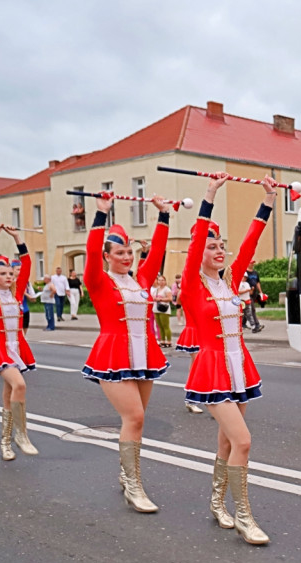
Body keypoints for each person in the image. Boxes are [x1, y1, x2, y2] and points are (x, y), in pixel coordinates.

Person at [180, 172, 274, 543]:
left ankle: (218, 502)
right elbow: (195, 248)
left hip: (240, 367)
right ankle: (244, 516)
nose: (220, 251)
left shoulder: (230, 283)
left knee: (227, 443)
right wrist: (209, 197)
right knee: (244, 441)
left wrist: (267, 201)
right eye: (211, 246)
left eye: (222, 246)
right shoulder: (191, 284)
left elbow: (250, 242)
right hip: (213, 368)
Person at [82, 194, 171, 513]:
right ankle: (134, 487)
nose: (126, 257)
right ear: (107, 256)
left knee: (137, 420)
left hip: (144, 354)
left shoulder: (141, 280)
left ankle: (126, 472)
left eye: (129, 252)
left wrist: (163, 216)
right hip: (113, 354)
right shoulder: (99, 280)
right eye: (119, 252)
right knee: (134, 416)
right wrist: (100, 214)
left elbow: (157, 253)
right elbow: (91, 252)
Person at [0, 226, 38, 460]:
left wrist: (17, 238)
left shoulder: (17, 294)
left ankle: (5, 442)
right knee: (19, 386)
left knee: (9, 395)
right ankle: (21, 435)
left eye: (11, 273)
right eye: (2, 274)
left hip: (17, 347)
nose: (9, 277)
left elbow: (28, 264)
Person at [151, 274, 173, 347]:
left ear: (165, 281)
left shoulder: (167, 289)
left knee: (165, 326)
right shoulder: (156, 289)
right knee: (160, 326)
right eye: (159, 280)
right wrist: (154, 298)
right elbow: (153, 297)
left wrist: (160, 299)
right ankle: (162, 341)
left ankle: (169, 341)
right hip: (156, 309)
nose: (161, 282)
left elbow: (170, 299)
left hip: (164, 309)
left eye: (163, 280)